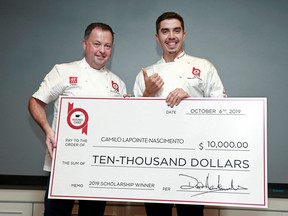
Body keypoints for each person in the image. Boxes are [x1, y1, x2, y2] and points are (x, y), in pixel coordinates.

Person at [28, 22, 127, 216]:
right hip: (64, 164)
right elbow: (35, 102)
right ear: (85, 44)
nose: (102, 50)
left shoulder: (118, 84)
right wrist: (48, 131)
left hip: (99, 168)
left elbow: (120, 124)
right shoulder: (64, 71)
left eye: (107, 46)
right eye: (97, 44)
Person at [133, 12, 226, 216]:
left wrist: (192, 101)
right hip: (156, 163)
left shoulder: (204, 66)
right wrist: (148, 94)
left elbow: (222, 112)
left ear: (184, 34)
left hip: (193, 161)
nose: (171, 36)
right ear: (157, 38)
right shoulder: (146, 75)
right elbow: (136, 124)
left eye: (176, 30)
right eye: (165, 31)